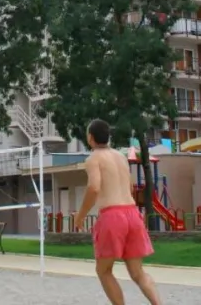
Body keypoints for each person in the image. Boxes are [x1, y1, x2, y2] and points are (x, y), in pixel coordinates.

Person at [74, 119, 163, 305]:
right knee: (138, 273)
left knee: (104, 270)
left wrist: (80, 215)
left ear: (90, 138)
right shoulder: (121, 157)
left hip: (112, 215)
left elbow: (94, 187)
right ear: (108, 137)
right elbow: (130, 186)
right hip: (132, 213)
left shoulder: (93, 159)